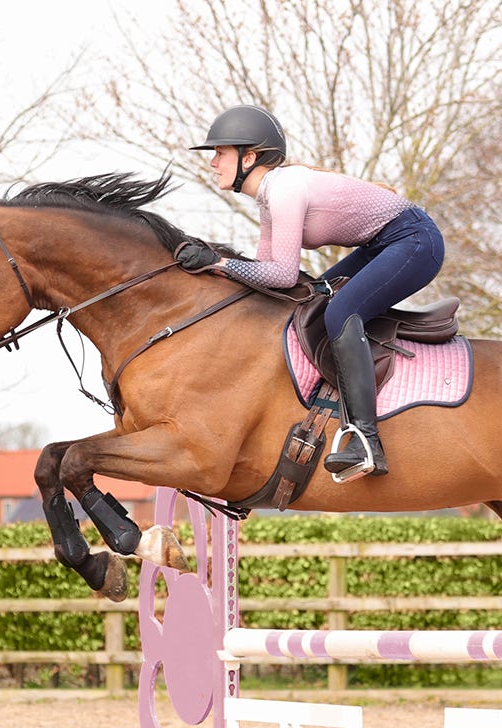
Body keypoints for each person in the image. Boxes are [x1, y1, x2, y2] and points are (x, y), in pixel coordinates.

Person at [183, 104, 445, 481]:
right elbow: (271, 279)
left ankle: (366, 440)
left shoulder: (285, 190)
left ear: (250, 157)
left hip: (414, 241)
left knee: (339, 314)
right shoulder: (270, 197)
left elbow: (281, 272)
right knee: (314, 301)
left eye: (219, 153)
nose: (213, 162)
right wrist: (217, 269)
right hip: (382, 244)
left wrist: (220, 263)